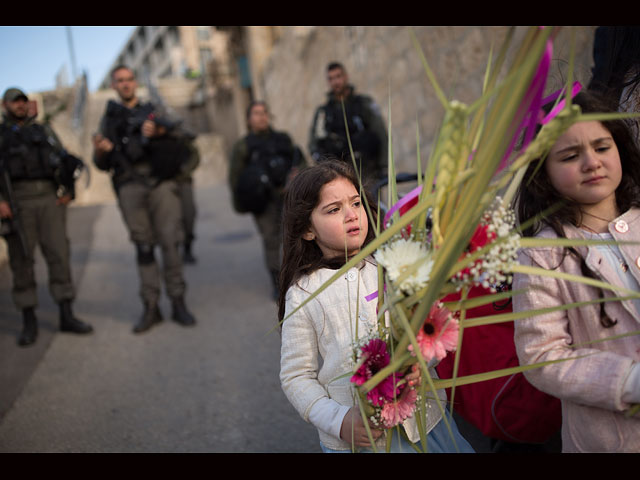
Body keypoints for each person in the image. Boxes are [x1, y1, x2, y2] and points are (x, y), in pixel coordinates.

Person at [278, 159, 474, 453]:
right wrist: (340, 421)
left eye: (356, 203)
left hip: (427, 425)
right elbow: (296, 376)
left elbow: (430, 331)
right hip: (361, 441)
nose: (351, 215)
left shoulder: (392, 265)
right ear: (307, 229)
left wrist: (421, 364)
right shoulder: (304, 292)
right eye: (333, 209)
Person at [512, 91, 640, 452]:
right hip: (610, 440)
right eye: (570, 155)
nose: (591, 162)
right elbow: (541, 356)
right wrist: (629, 381)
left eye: (602, 147)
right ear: (543, 173)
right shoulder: (542, 254)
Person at [92, 65, 196, 333]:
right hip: (129, 186)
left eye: (129, 79)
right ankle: (151, 306)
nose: (125, 84)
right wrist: (101, 151)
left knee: (170, 243)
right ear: (114, 85)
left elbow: (184, 137)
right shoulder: (110, 119)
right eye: (120, 81)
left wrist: (159, 132)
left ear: (135, 82)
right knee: (143, 247)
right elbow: (101, 163)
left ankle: (177, 301)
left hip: (160, 183)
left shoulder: (153, 110)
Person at [0, 87, 93, 346]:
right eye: (14, 102)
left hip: (49, 199)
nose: (20, 106)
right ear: (5, 105)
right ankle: (28, 320)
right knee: (22, 260)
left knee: (58, 253)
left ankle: (66, 314)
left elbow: (62, 159)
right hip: (18, 202)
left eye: (22, 101)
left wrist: (67, 190)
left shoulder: (43, 130)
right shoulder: (2, 134)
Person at [228, 100, 305, 299]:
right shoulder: (243, 146)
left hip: (287, 195)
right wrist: (243, 203)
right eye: (256, 113)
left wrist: (297, 177)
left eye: (264, 112)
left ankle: (298, 274)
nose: (261, 117)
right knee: (271, 239)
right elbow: (235, 177)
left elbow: (300, 161)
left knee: (294, 236)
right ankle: (277, 281)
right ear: (248, 119)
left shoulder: (283, 139)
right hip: (263, 200)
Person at [308, 62, 387, 182]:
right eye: (331, 78)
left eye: (338, 76)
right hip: (339, 174)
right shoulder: (323, 113)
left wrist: (384, 166)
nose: (335, 82)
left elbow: (380, 133)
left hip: (367, 170)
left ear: (346, 77)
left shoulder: (363, 103)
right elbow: (314, 145)